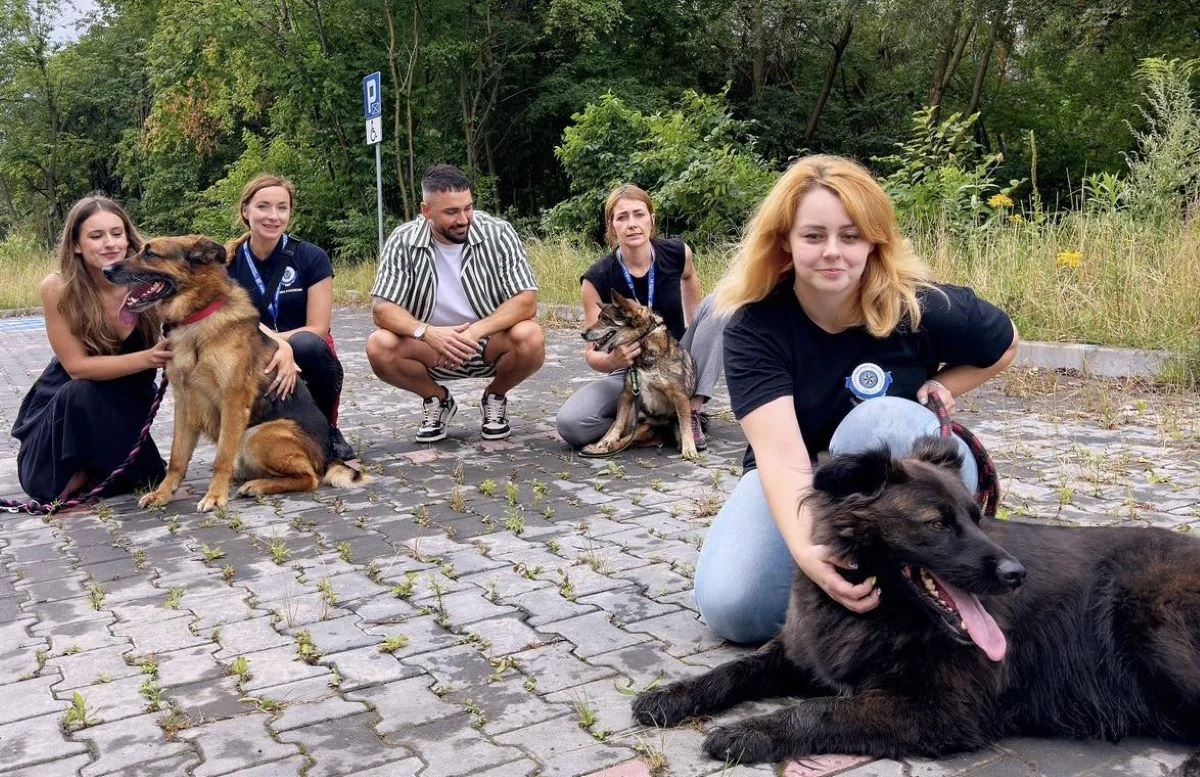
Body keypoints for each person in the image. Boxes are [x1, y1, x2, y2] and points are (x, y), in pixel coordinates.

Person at [692, 155, 1019, 644]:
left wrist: (947, 386)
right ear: (784, 241)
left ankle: (923, 574)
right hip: (800, 475)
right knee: (734, 610)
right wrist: (809, 553)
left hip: (914, 481)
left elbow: (1006, 341)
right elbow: (781, 457)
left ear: (874, 241)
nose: (833, 252)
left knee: (878, 420)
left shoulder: (921, 304)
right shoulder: (752, 326)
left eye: (850, 236)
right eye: (813, 236)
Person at [366, 164, 545, 442]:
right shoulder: (402, 240)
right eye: (451, 212)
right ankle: (437, 399)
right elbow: (382, 308)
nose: (463, 219)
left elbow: (526, 300)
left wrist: (474, 332)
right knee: (379, 346)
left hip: (487, 343)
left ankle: (494, 396)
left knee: (531, 336)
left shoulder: (499, 233)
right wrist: (427, 333)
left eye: (468, 208)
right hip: (430, 348)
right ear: (426, 211)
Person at [11, 195, 170, 504]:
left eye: (116, 233)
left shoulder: (152, 274)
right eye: (96, 236)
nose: (110, 243)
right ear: (76, 245)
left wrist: (279, 346)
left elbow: (210, 303)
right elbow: (76, 368)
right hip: (69, 405)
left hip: (127, 404)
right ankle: (86, 470)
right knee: (48, 486)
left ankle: (100, 472)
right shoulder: (58, 287)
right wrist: (150, 357)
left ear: (127, 237)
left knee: (149, 477)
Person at [555, 184, 726, 452]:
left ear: (652, 219)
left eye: (639, 214)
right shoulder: (597, 278)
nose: (632, 224)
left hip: (676, 356)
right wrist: (612, 359)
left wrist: (696, 331)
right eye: (622, 217)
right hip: (631, 369)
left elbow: (690, 281)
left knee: (721, 303)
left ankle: (691, 411)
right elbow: (592, 354)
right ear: (612, 227)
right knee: (572, 424)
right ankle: (651, 426)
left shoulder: (678, 253)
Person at [225, 174, 355, 461]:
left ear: (290, 213)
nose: (273, 216)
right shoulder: (228, 263)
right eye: (263, 207)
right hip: (249, 351)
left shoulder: (311, 257)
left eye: (282, 208)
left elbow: (319, 328)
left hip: (303, 347)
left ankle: (327, 430)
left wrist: (282, 345)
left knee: (309, 344)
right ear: (246, 211)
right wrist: (273, 347)